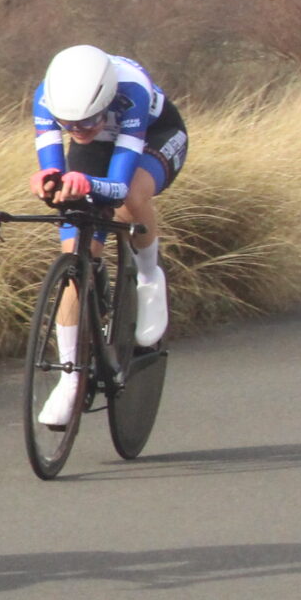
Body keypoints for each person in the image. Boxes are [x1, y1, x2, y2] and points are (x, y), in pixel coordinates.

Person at [29, 44, 186, 425]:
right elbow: (55, 171)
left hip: (154, 137)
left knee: (131, 197)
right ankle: (70, 378)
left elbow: (116, 186)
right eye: (68, 125)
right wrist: (49, 183)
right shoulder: (48, 98)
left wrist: (87, 184)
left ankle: (148, 276)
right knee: (73, 259)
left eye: (88, 122)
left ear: (106, 102)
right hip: (97, 152)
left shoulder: (132, 92)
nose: (77, 131)